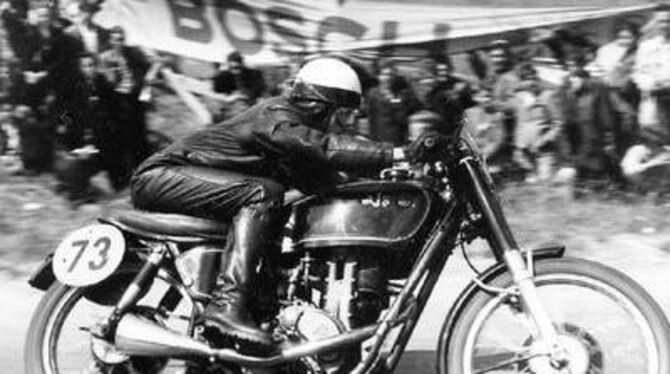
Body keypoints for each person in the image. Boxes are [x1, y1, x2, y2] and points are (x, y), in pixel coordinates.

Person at [130, 57, 445, 348]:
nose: (350, 123)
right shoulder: (277, 117)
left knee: (290, 211)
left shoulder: (296, 137)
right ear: (321, 104)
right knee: (263, 193)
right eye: (345, 113)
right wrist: (399, 152)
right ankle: (228, 305)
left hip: (198, 184)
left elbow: (331, 181)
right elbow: (322, 146)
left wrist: (404, 178)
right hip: (161, 176)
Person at [559, 54, 635, 193]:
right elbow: (568, 121)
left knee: (606, 166)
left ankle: (620, 190)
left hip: (598, 137)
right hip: (583, 140)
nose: (572, 83)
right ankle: (594, 192)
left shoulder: (599, 92)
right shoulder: (572, 95)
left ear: (584, 78)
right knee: (589, 167)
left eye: (575, 79)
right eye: (571, 80)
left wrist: (613, 137)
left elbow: (610, 114)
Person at [99, 26, 151, 187]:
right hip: (118, 101)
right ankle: (125, 176)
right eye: (115, 39)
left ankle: (144, 171)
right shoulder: (106, 57)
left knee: (140, 137)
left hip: (135, 99)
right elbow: (108, 81)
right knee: (123, 138)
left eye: (121, 39)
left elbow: (148, 68)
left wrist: (145, 84)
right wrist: (112, 70)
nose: (118, 43)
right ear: (110, 40)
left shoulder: (133, 53)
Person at [510, 63, 563, 182]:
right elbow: (519, 124)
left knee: (546, 181)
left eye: (533, 78)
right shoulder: (519, 99)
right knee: (532, 184)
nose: (531, 82)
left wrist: (545, 139)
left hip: (544, 149)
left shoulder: (547, 96)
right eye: (526, 79)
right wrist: (518, 146)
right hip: (525, 151)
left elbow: (558, 122)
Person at [364, 59, 421, 146]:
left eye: (391, 75)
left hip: (399, 140)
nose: (388, 78)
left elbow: (406, 116)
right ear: (379, 76)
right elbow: (370, 118)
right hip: (379, 140)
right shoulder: (373, 94)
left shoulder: (402, 93)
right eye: (385, 74)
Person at [424, 56, 475, 135]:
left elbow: (469, 104)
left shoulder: (458, 84)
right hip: (439, 128)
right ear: (435, 71)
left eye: (445, 70)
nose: (443, 73)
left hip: (457, 126)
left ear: (449, 69)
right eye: (439, 70)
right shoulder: (433, 90)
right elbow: (430, 108)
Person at [212, 51, 266, 120]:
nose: (235, 70)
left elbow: (260, 91)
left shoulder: (254, 74)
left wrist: (247, 95)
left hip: (249, 107)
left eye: (237, 67)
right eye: (232, 67)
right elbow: (217, 91)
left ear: (242, 64)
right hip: (233, 108)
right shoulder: (223, 76)